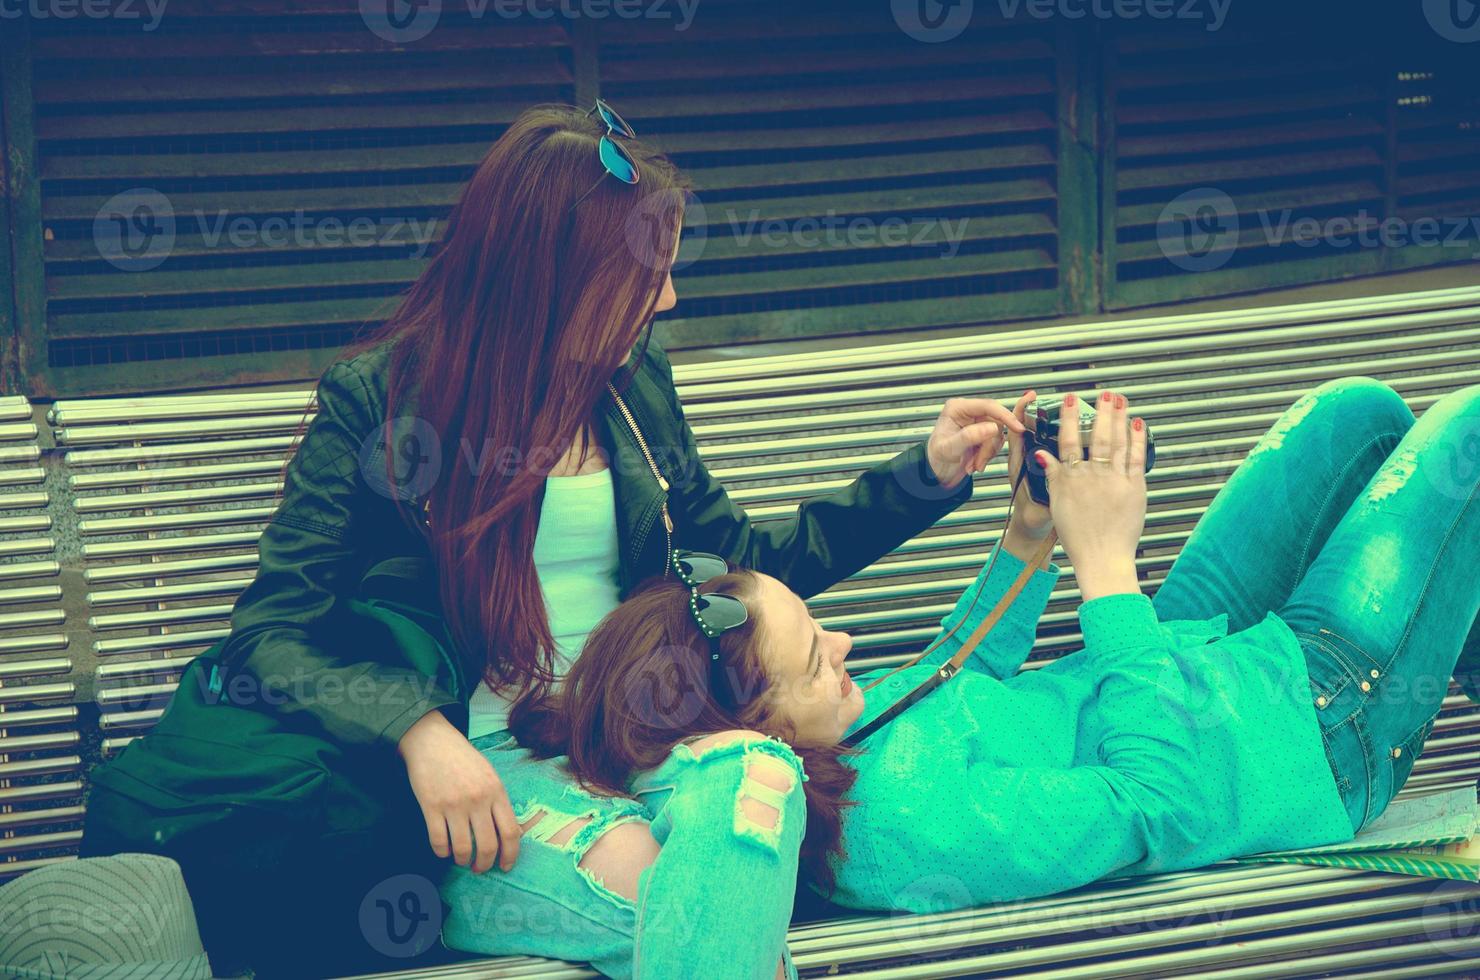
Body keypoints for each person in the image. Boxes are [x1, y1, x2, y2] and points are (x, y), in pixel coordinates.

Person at [78, 100, 1024, 976]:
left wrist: (925, 476)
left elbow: (727, 563)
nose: (666, 304)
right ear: (555, 278)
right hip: (481, 776)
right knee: (683, 891)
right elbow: (273, 629)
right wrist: (417, 729)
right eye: (647, 278)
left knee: (758, 779)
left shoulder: (629, 392)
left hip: (634, 732)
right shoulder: (379, 406)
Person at [445, 376, 1478, 964]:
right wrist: (1104, 565)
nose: (847, 648)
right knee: (1465, 431)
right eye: (817, 656)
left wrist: (1029, 538)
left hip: (1174, 655)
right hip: (1296, 726)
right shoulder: (910, 828)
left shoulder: (798, 737)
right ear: (760, 726)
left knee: (1356, 412)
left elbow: (949, 676)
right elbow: (1158, 804)